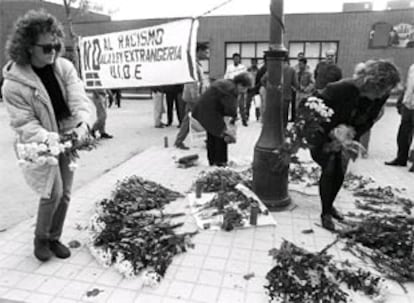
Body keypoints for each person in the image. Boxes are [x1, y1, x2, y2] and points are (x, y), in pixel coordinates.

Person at [1, 10, 95, 261]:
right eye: (46, 47)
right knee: (51, 191)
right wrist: (48, 138)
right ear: (28, 47)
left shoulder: (63, 67)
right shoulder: (14, 83)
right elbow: (23, 122)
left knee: (65, 193)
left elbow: (79, 99)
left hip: (68, 134)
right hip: (39, 143)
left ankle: (54, 237)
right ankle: (40, 239)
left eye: (55, 44)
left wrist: (82, 124)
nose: (53, 51)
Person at [306, 59, 400, 231]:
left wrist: (352, 135)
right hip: (324, 136)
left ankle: (329, 205)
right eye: (381, 90)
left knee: (341, 169)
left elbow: (370, 119)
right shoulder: (339, 89)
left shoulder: (380, 96)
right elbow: (312, 111)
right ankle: (325, 213)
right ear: (371, 83)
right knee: (330, 168)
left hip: (348, 137)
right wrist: (332, 136)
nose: (382, 96)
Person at [192, 72, 252, 166]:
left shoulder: (228, 83)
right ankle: (221, 162)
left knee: (212, 134)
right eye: (244, 88)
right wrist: (233, 119)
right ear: (239, 84)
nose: (244, 91)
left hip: (204, 108)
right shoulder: (231, 89)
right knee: (221, 134)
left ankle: (212, 161)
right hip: (210, 111)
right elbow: (230, 108)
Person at [174, 42, 209, 150]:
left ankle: (179, 141)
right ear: (198, 51)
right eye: (205, 52)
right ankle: (208, 140)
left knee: (189, 119)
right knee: (200, 119)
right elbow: (192, 83)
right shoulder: (193, 65)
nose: (207, 54)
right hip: (194, 98)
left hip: (195, 97)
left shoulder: (197, 64)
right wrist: (196, 98)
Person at [385, 63, 414, 172]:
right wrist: (401, 100)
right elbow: (408, 86)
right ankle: (401, 158)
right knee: (403, 134)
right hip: (408, 104)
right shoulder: (412, 67)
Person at [282, 56, 298, 127]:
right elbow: (296, 83)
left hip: (275, 96)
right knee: (284, 115)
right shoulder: (291, 70)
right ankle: (283, 131)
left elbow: (263, 80)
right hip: (286, 95)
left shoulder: (274, 68)